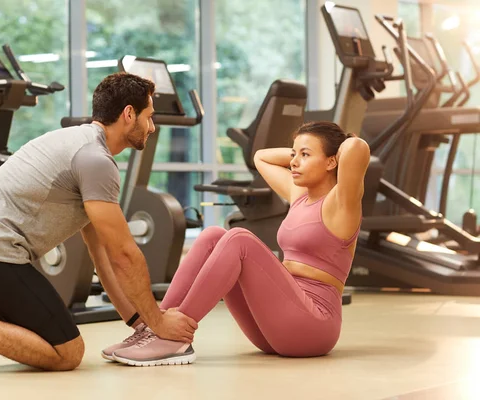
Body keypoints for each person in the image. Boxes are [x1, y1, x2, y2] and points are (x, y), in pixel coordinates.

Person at [0, 72, 198, 377]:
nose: (152, 127)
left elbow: (102, 253)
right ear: (128, 114)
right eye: (148, 117)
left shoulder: (82, 144)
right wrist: (159, 322)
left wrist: (139, 321)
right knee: (67, 353)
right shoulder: (95, 160)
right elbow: (124, 254)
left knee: (49, 335)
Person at [101, 121, 371, 366]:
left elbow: (356, 147)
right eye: (293, 154)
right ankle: (155, 326)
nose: (294, 162)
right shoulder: (300, 194)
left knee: (239, 238)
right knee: (213, 235)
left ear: (332, 162)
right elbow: (260, 157)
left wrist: (340, 140)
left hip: (313, 326)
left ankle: (174, 339)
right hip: (278, 324)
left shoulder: (342, 203)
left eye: (305, 155)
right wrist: (303, 148)